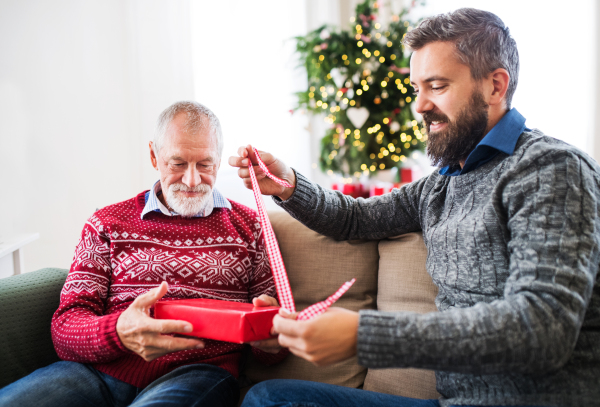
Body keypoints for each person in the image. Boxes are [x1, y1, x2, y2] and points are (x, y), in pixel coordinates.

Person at [229, 8, 600, 407]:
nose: (419, 106)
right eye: (416, 88)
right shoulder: (442, 184)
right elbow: (355, 218)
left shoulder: (551, 170)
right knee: (269, 398)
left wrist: (364, 335)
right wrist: (286, 184)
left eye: (436, 86)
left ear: (495, 86)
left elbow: (540, 327)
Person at [0, 101, 286, 407]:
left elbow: (274, 346)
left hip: (197, 373)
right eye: (177, 163)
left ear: (218, 160)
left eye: (204, 164)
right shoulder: (106, 224)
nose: (192, 180)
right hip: (94, 373)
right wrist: (118, 332)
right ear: (154, 156)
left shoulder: (251, 227)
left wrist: (270, 338)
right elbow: (65, 327)